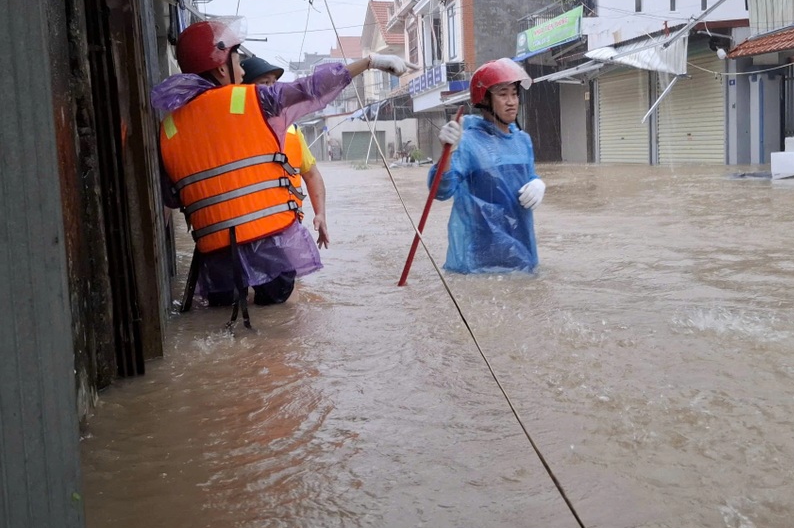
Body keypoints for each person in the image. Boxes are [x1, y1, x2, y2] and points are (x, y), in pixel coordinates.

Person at [153, 18, 411, 318]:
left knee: (220, 323)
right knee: (281, 322)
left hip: (216, 258)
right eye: (238, 60)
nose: (242, 69)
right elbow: (313, 88)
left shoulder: (169, 125)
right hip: (270, 244)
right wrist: (369, 62)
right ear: (222, 67)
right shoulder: (257, 101)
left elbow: (172, 198)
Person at [427, 58, 546, 274]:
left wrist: (537, 183)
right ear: (485, 100)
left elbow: (527, 179)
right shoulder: (467, 142)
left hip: (521, 256)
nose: (512, 101)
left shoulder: (523, 141)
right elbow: (440, 190)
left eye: (514, 93)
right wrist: (446, 152)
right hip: (477, 263)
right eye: (502, 94)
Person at [241, 56, 330, 249]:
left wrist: (320, 214)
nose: (272, 89)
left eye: (274, 82)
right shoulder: (234, 128)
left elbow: (312, 174)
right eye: (264, 82)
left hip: (287, 230)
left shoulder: (292, 130)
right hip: (246, 236)